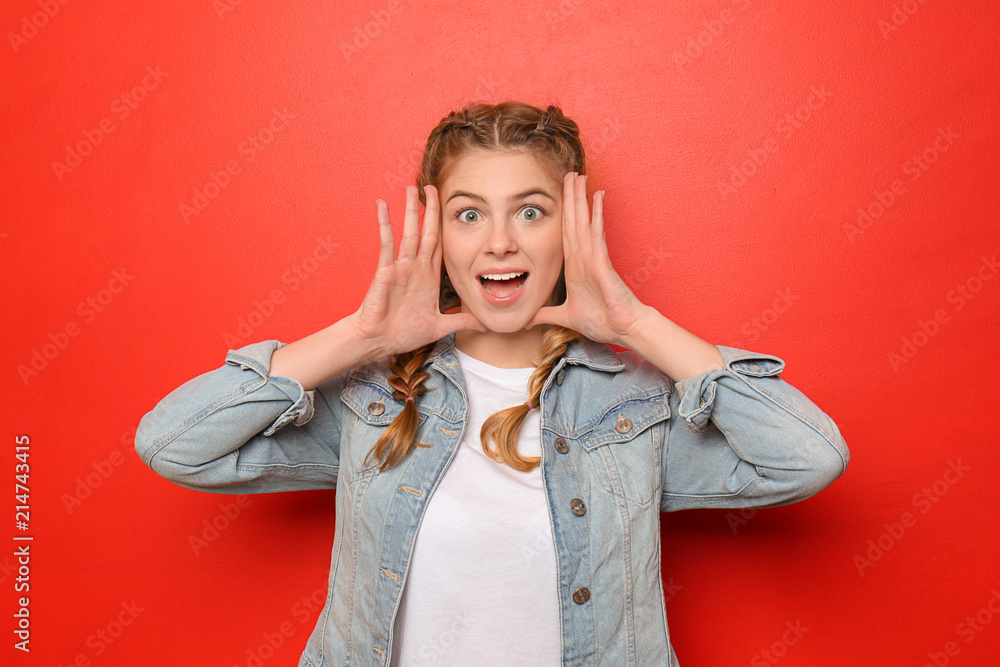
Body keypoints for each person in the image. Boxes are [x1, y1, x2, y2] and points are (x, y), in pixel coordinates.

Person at [135, 100, 849, 666]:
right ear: (437, 235)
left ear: (568, 231)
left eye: (530, 211)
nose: (499, 240)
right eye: (468, 213)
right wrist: (363, 336)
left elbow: (808, 456)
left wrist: (634, 323)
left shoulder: (633, 408)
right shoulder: (372, 400)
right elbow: (175, 442)